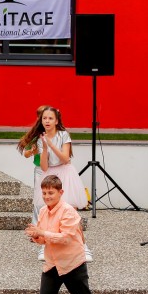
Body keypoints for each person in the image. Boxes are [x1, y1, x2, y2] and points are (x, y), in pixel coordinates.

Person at [25, 175, 117, 294]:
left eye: (50, 193)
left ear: (61, 192)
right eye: (44, 193)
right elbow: (45, 239)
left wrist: (42, 232)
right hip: (52, 264)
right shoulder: (43, 211)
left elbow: (65, 238)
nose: (47, 196)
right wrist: (36, 236)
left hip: (73, 264)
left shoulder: (69, 212)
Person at [20, 106, 93, 262]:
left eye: (50, 118)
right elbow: (45, 166)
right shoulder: (40, 139)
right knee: (47, 211)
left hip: (65, 173)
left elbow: (65, 158)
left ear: (56, 121)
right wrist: (44, 148)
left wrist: (51, 145)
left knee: (71, 212)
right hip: (50, 173)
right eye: (44, 118)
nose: (47, 121)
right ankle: (44, 247)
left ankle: (83, 247)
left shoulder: (63, 135)